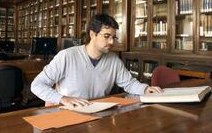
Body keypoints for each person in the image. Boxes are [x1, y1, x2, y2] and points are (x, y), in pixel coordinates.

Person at [31, 13, 162, 108]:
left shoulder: (113, 60)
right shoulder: (66, 56)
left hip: (98, 111)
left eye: (113, 37)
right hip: (69, 112)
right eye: (106, 36)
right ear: (93, 34)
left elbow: (128, 83)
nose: (111, 42)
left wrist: (145, 89)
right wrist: (63, 99)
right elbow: (37, 85)